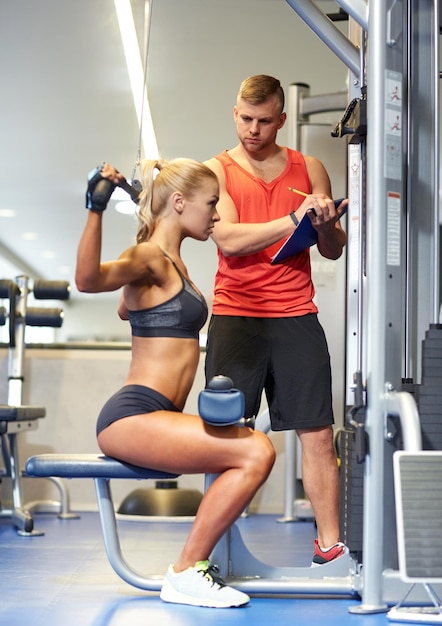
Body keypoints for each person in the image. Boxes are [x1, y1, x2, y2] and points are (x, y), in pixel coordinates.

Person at [75, 159, 276, 608]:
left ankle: (192, 568)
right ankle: (187, 571)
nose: (217, 215)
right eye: (211, 204)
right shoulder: (151, 257)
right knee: (254, 450)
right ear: (180, 203)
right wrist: (95, 206)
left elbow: (131, 308)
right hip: (133, 415)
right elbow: (87, 281)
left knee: (252, 448)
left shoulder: (167, 262)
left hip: (158, 414)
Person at [204, 74, 348, 567]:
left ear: (281, 120)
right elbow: (229, 240)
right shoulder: (216, 171)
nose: (253, 129)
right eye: (246, 118)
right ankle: (215, 549)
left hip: (295, 314)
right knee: (224, 432)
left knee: (319, 432)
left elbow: (332, 249)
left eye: (265, 121)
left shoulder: (309, 167)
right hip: (236, 315)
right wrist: (293, 219)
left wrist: (325, 226)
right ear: (235, 113)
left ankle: (329, 547)